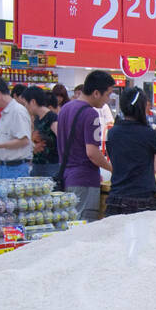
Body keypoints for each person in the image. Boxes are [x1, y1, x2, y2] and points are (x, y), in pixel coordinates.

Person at [57, 70, 116, 219]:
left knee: (70, 222)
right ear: (96, 93)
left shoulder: (65, 108)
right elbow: (92, 153)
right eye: (107, 94)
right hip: (84, 179)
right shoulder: (91, 114)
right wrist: (112, 169)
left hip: (66, 175)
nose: (108, 100)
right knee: (84, 226)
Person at [105, 86, 156, 216]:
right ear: (141, 106)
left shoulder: (112, 133)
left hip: (116, 198)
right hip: (142, 199)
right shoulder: (148, 134)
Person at [0, 78, 34, 179]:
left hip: (15, 168)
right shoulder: (5, 112)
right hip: (3, 167)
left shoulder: (18, 111)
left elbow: (24, 141)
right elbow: (8, 137)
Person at [19, 87, 59, 172]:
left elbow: (62, 138)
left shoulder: (52, 117)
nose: (25, 107)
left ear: (33, 102)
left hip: (50, 166)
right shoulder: (37, 118)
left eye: (26, 104)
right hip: (38, 164)